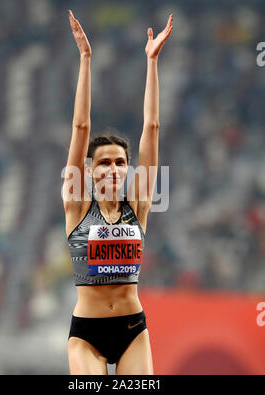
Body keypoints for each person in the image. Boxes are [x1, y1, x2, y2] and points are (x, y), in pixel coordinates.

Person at [63, 9, 173, 375]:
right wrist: (85, 59)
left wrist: (152, 62)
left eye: (120, 163)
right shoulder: (77, 206)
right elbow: (81, 127)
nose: (113, 169)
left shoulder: (138, 205)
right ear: (90, 170)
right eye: (104, 162)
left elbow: (152, 127)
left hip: (132, 330)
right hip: (87, 335)